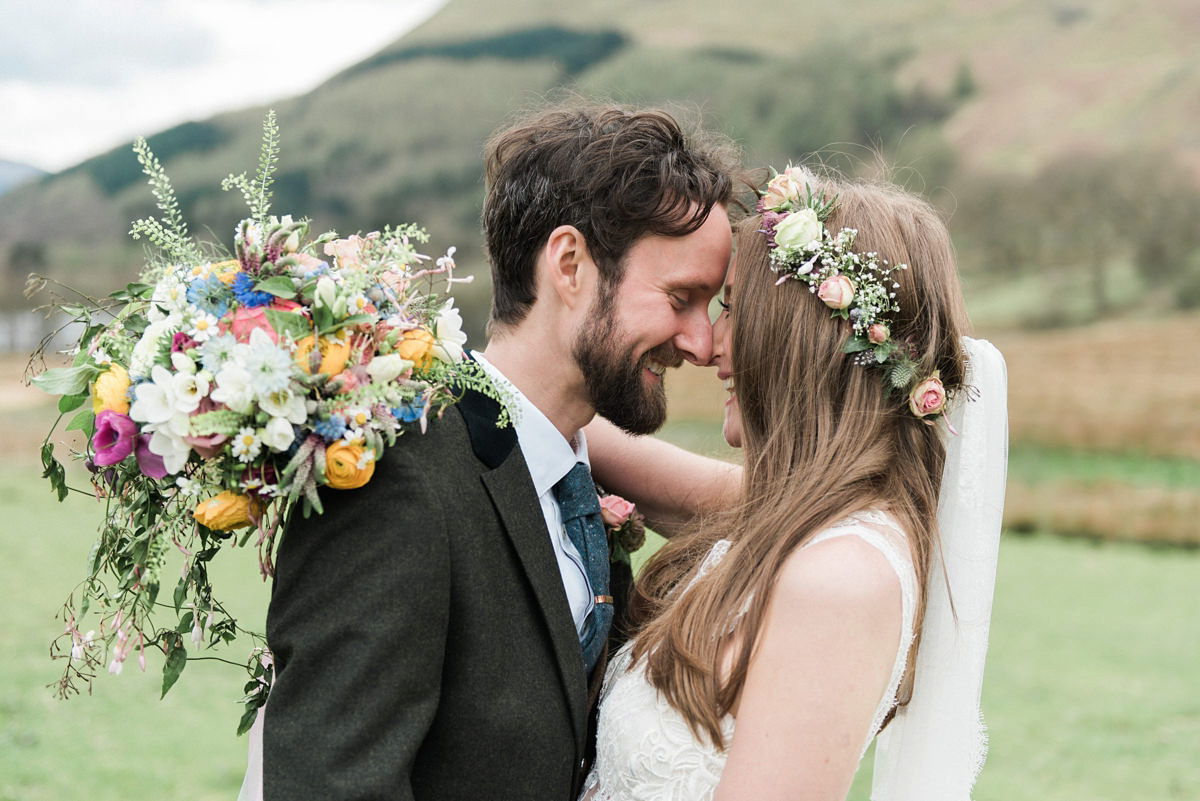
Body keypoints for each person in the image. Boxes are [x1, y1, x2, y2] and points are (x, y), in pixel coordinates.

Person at [240, 102, 739, 800]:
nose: (701, 342)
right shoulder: (399, 474)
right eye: (681, 297)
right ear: (570, 265)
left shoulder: (572, 472)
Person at [581, 167, 1007, 800]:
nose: (708, 343)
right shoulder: (790, 518)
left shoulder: (840, 575)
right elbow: (582, 437)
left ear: (800, 336)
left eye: (733, 308)